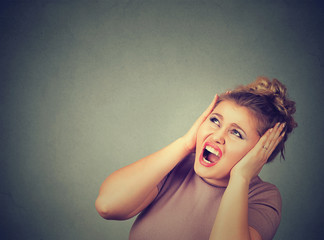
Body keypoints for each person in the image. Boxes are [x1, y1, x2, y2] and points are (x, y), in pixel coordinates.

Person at [95, 77, 297, 240]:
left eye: (236, 133)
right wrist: (185, 144)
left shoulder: (263, 196)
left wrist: (241, 178)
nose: (217, 136)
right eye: (215, 120)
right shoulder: (176, 167)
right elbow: (108, 206)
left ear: (261, 151)